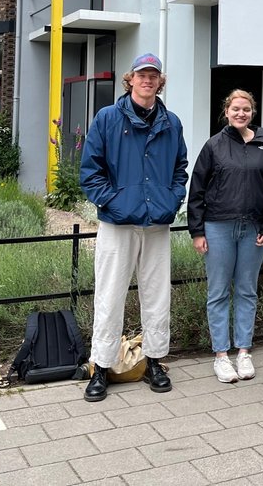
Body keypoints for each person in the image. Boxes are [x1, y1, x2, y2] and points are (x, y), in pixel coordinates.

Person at [79, 52, 188, 403]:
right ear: (130, 80)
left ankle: (154, 361)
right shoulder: (108, 118)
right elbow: (90, 170)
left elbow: (179, 169)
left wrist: (171, 200)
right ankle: (102, 367)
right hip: (118, 223)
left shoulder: (171, 122)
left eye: (153, 75)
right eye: (142, 74)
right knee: (109, 296)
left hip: (156, 222)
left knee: (157, 295)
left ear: (160, 81)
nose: (147, 80)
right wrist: (113, 202)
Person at [187, 89, 263, 384]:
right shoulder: (214, 146)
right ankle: (220, 356)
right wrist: (197, 230)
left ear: (252, 112)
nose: (241, 114)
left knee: (246, 291)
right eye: (235, 109)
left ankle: (243, 351)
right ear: (226, 112)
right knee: (218, 292)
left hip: (253, 230)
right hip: (218, 227)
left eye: (246, 110)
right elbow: (197, 189)